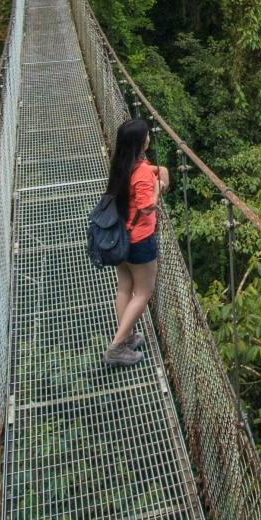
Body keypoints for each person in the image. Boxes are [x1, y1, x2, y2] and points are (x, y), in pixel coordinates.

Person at [102, 117, 167, 366]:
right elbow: (147, 206)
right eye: (147, 135)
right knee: (143, 292)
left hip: (121, 235)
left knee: (124, 287)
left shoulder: (122, 163)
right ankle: (117, 347)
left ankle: (127, 338)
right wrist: (158, 187)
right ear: (141, 143)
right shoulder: (141, 174)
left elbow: (146, 173)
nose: (150, 137)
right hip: (140, 240)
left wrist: (160, 174)